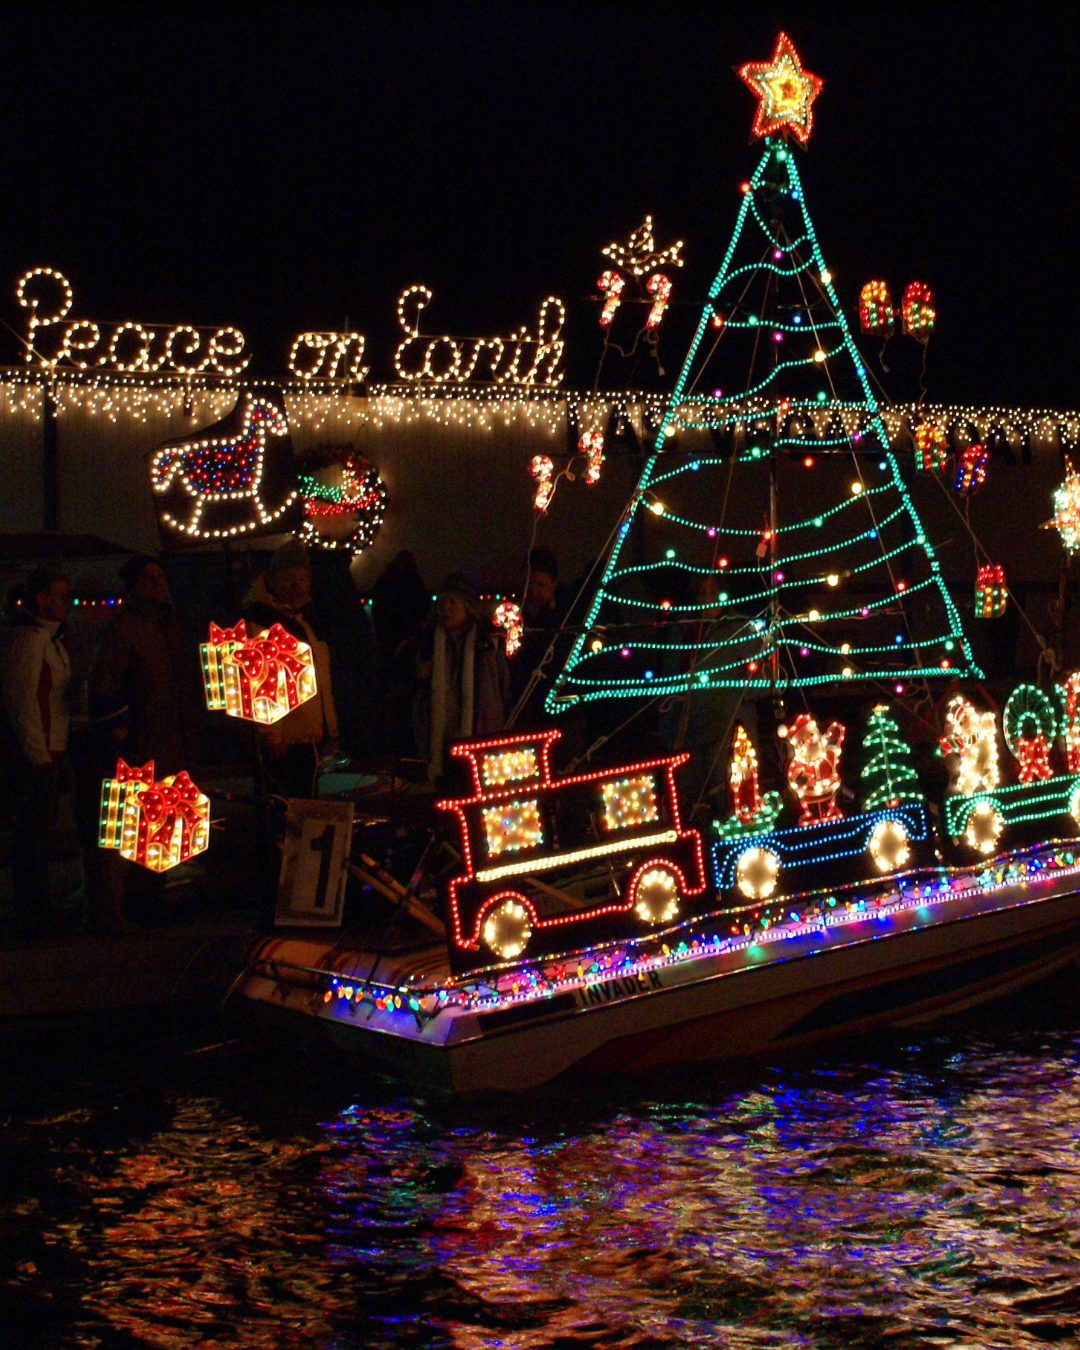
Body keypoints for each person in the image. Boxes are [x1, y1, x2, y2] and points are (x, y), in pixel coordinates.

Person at [86, 555, 202, 930]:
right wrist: (120, 730)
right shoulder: (125, 629)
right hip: (142, 741)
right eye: (148, 577)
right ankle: (127, 907)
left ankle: (152, 900)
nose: (157, 583)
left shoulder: (172, 625)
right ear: (133, 584)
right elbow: (105, 686)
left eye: (160, 576)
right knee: (135, 826)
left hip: (172, 739)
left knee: (165, 826)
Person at [0, 567, 73, 935]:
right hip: (38, 754)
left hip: (51, 749)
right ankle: (32, 914)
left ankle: (38, 909)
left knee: (39, 837)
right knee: (32, 838)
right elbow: (21, 699)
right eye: (60, 595)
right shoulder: (28, 640)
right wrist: (38, 754)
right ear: (41, 598)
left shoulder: (51, 640)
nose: (66, 603)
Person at [243, 539, 338, 799]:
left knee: (305, 813)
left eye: (302, 578)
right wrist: (272, 736)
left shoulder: (305, 624)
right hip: (286, 744)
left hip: (309, 740)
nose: (296, 585)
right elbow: (259, 681)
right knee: (286, 814)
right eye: (288, 578)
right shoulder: (263, 622)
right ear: (272, 581)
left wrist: (330, 729)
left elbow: (321, 681)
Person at [413, 572, 509, 785]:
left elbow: (501, 690)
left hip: (478, 735)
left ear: (468, 607)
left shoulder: (487, 645)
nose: (445, 608)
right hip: (439, 742)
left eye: (452, 602)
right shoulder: (429, 643)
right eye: (442, 602)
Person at [509, 546, 569, 726]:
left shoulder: (567, 612)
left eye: (540, 585)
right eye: (529, 584)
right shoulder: (516, 612)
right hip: (523, 697)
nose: (534, 591)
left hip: (555, 697)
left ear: (554, 581)